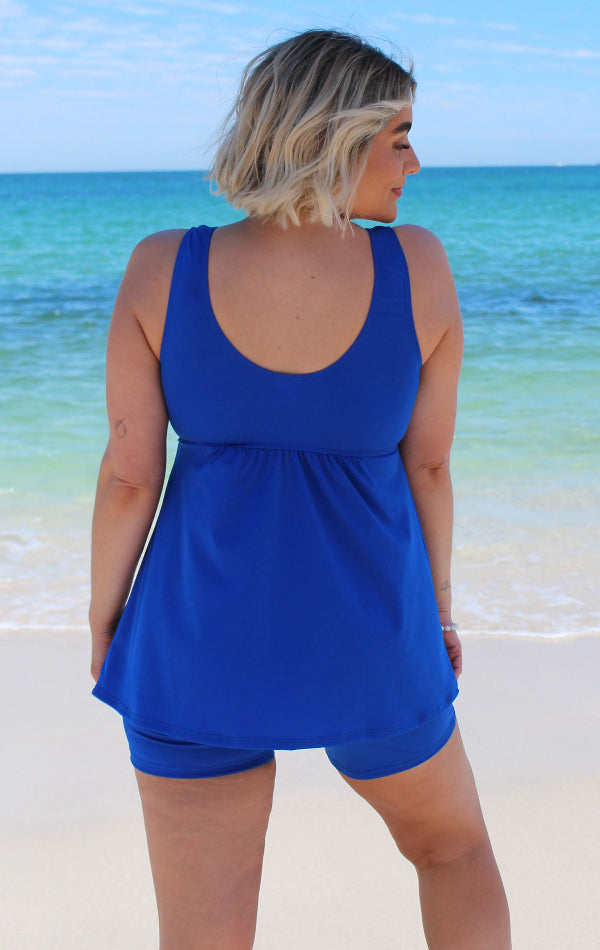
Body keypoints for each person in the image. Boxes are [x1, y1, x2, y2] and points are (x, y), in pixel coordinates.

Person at [89, 28, 511, 950]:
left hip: (193, 641)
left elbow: (129, 474)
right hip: (371, 638)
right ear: (334, 135)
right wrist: (438, 612)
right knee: (452, 851)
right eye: (398, 137)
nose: (414, 163)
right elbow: (429, 467)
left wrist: (106, 621)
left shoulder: (162, 266)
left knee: (203, 932)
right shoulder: (418, 268)